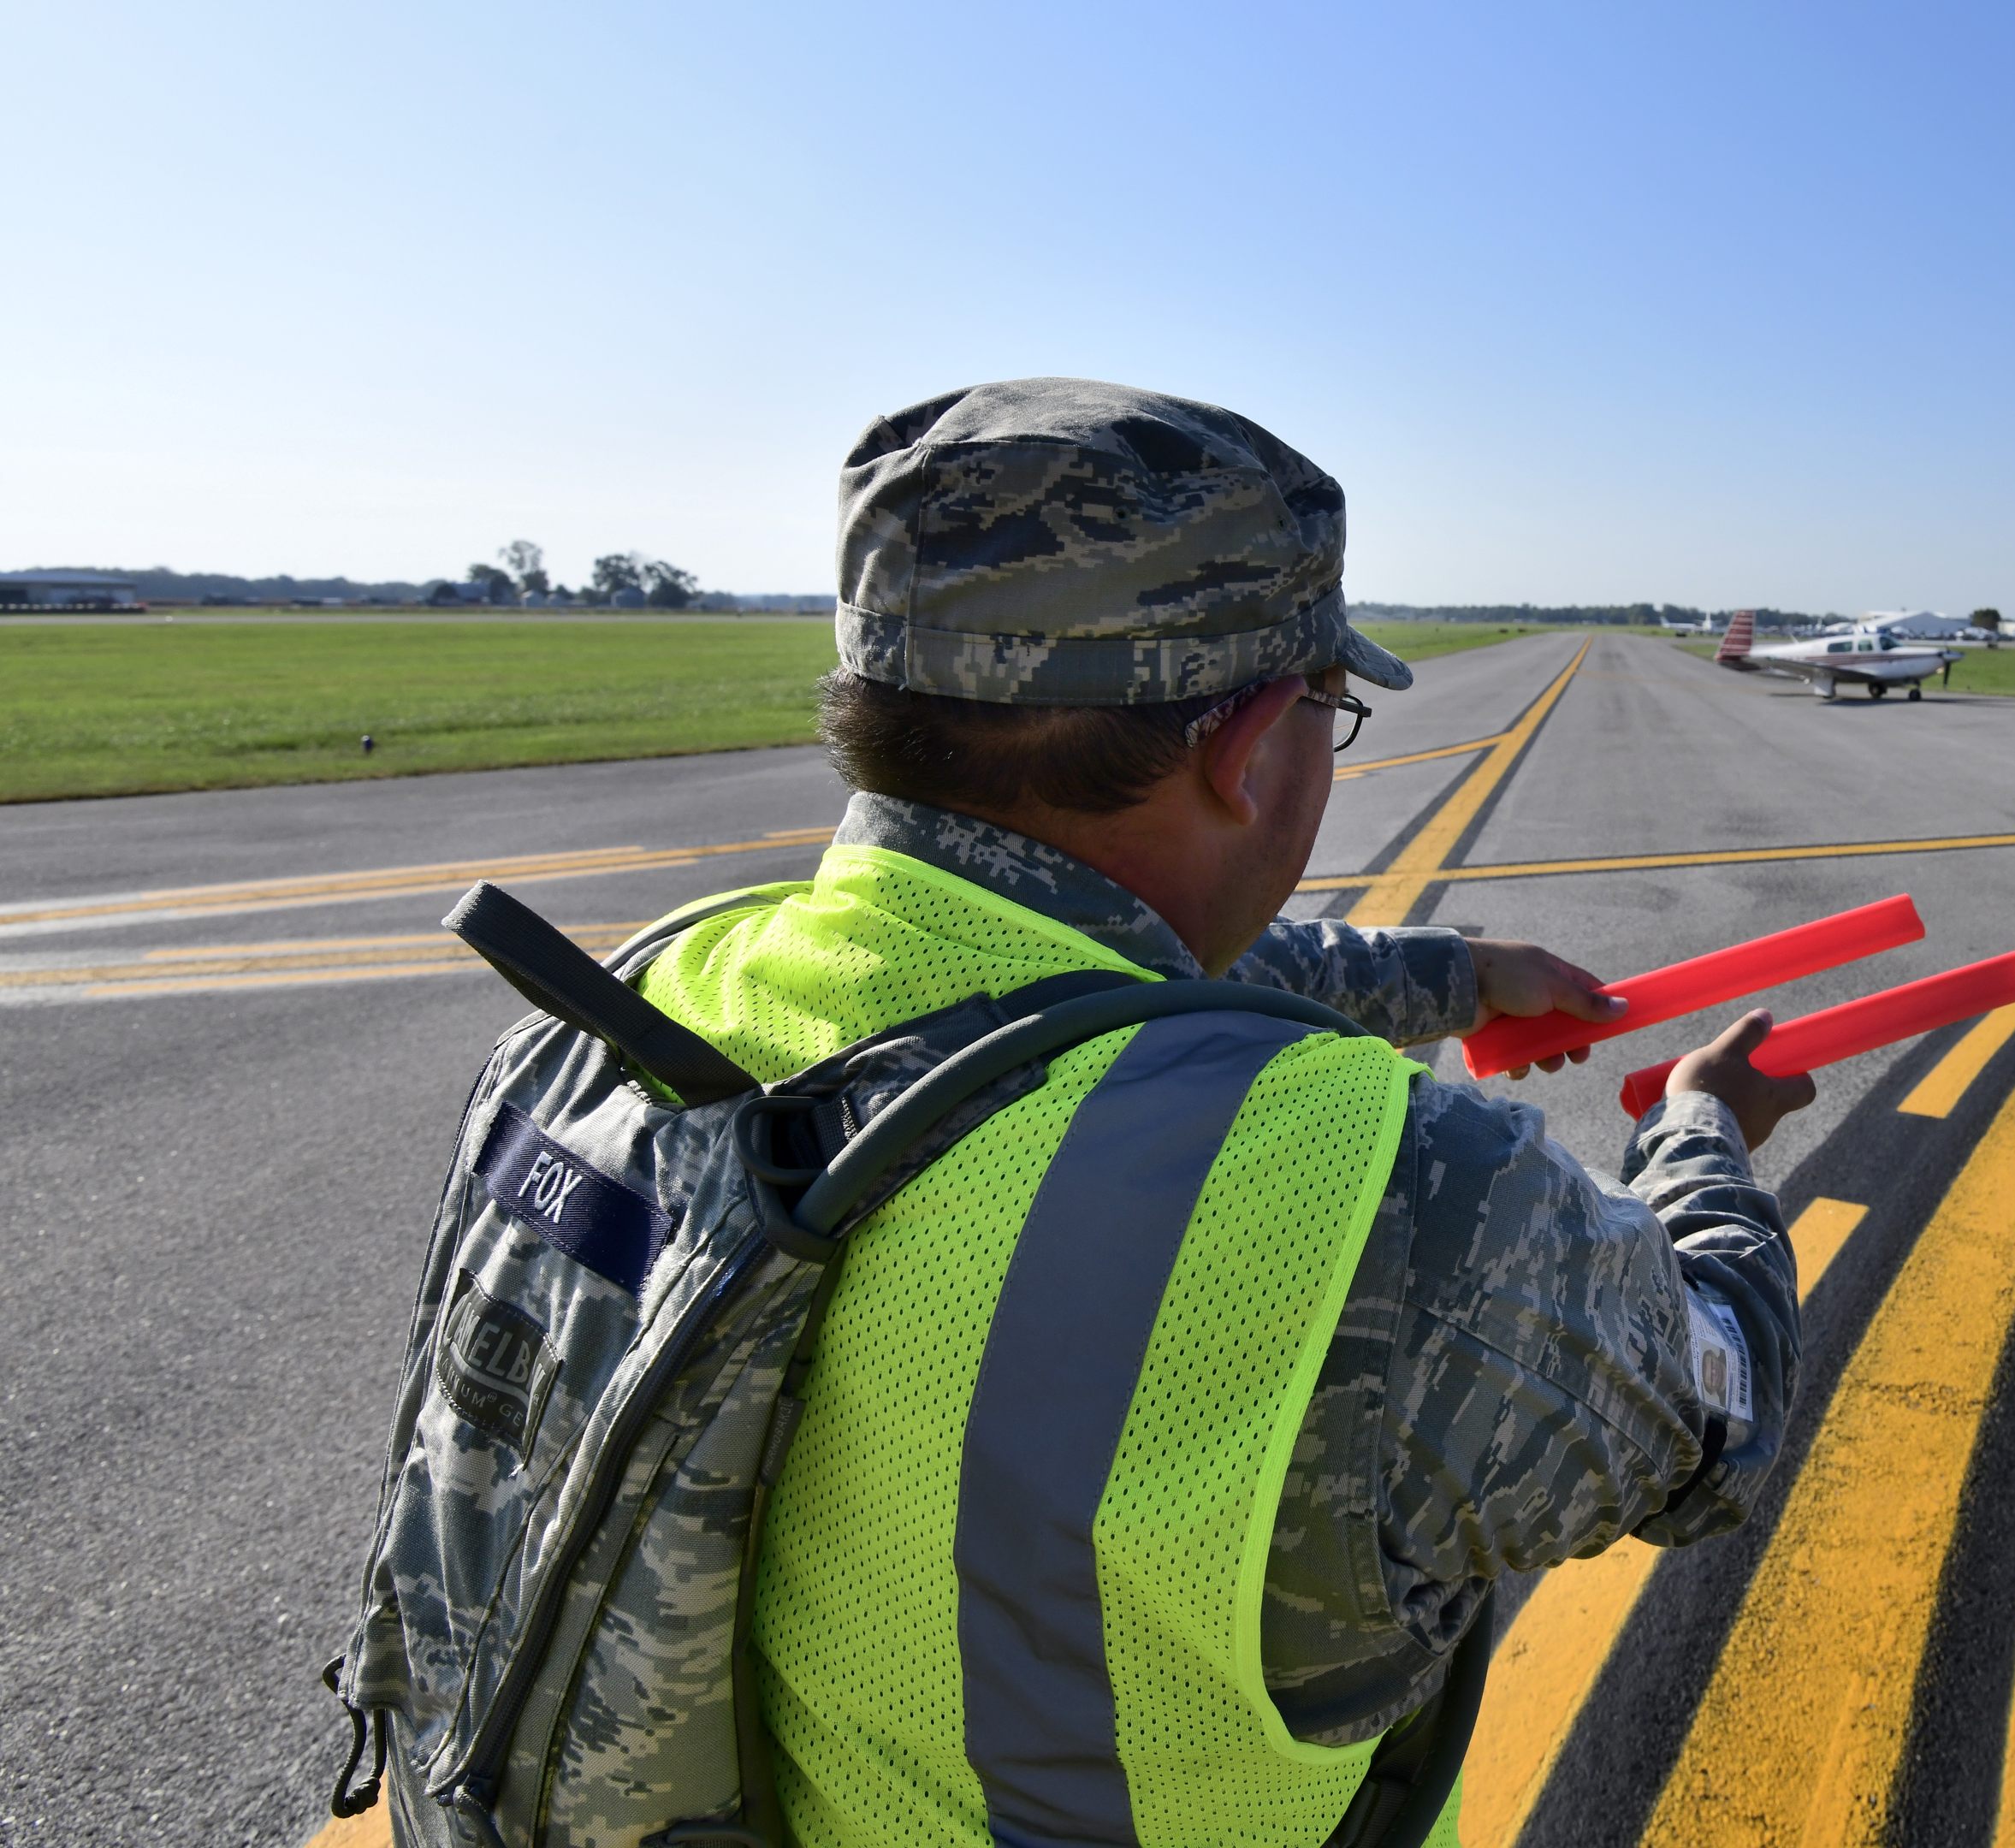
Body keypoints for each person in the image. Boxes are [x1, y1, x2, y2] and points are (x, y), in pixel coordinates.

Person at [631, 377, 1810, 1846]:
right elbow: (1716, 1419)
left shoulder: (659, 998)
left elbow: (1079, 959)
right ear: (1248, 749)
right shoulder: (1383, 1194)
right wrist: (1702, 1134)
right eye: (1332, 706)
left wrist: (1453, 977)